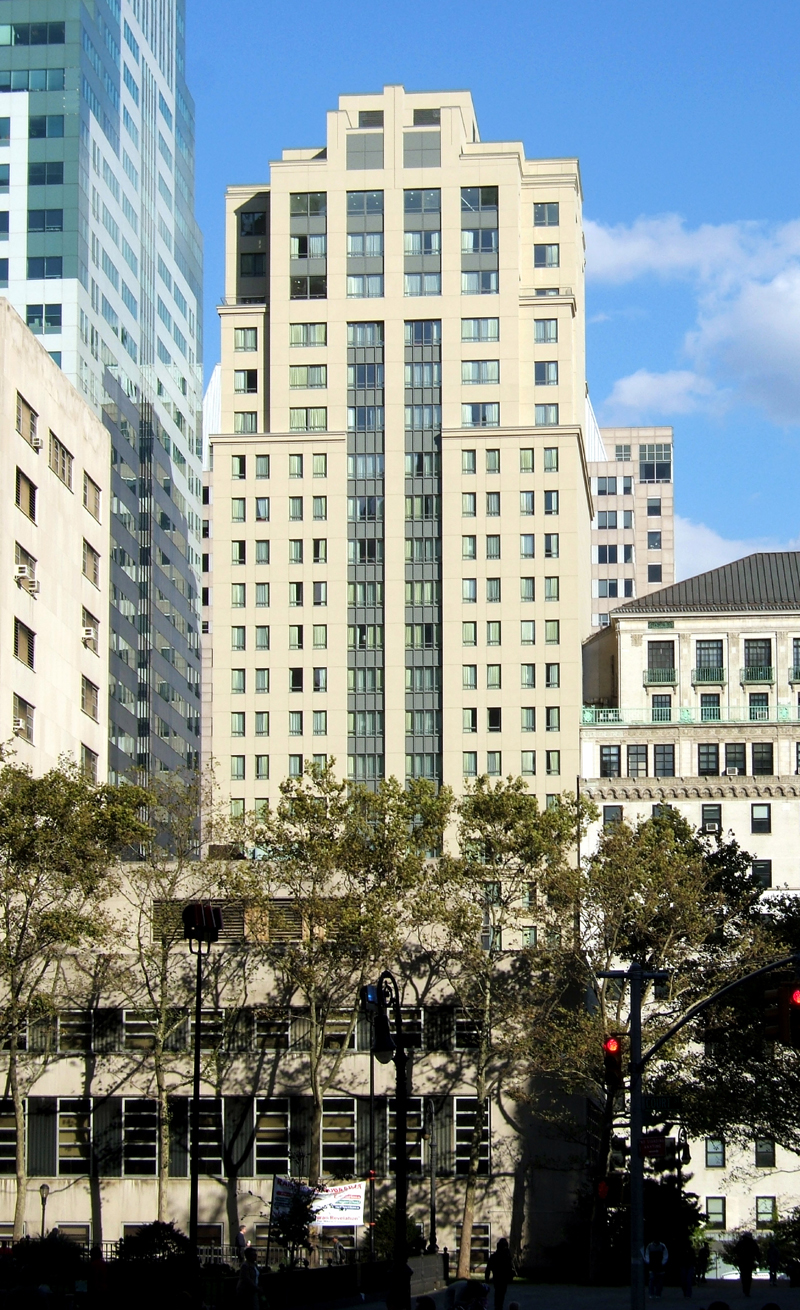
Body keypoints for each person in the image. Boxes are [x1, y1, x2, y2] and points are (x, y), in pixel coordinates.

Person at [485, 1237, 514, 1310]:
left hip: (498, 1276)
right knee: (501, 1292)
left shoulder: (497, 1256)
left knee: (499, 1291)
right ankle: (498, 1305)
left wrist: (487, 1278)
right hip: (501, 1276)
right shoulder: (505, 1256)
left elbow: (488, 1268)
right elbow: (509, 1267)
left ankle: (498, 1305)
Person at [732, 1231, 761, 1297]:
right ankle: (747, 1289)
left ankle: (745, 1288)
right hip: (749, 1261)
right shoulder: (752, 1243)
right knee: (748, 1275)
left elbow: (735, 1250)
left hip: (742, 1261)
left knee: (744, 1275)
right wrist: (758, 1260)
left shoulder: (741, 1243)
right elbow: (757, 1252)